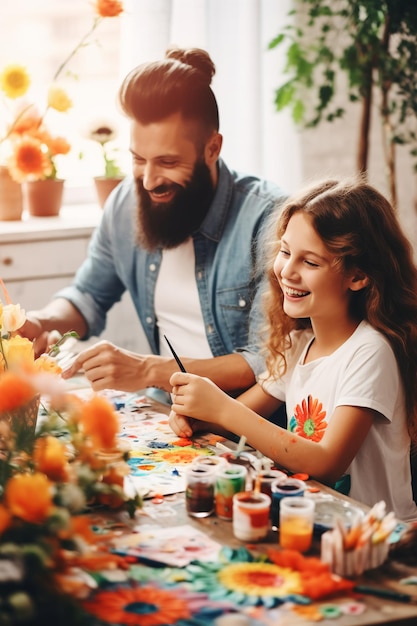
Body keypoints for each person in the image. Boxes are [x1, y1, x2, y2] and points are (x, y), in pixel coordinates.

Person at [19, 47, 287, 396]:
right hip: (167, 416)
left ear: (212, 148)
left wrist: (147, 370)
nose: (148, 180)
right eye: (138, 159)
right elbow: (87, 296)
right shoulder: (125, 203)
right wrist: (41, 321)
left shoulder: (269, 220)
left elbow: (266, 363)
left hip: (243, 430)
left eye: (167, 162)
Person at [169, 177, 417, 522]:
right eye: (285, 252)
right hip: (314, 523)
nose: (287, 271)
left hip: (374, 538)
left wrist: (222, 409)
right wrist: (196, 414)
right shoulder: (300, 344)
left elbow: (327, 464)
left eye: (310, 262)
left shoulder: (370, 352)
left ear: (358, 276)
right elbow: (234, 417)